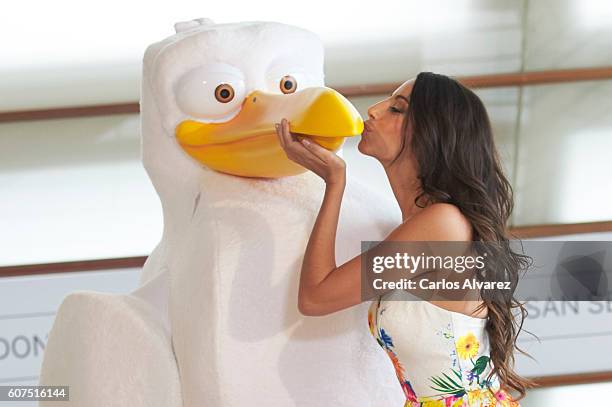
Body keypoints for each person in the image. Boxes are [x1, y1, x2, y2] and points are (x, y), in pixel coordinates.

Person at [275, 72, 534, 406]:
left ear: (432, 135)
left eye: (397, 109)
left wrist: (335, 182)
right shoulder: (425, 224)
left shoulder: (441, 224)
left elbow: (315, 298)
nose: (373, 110)